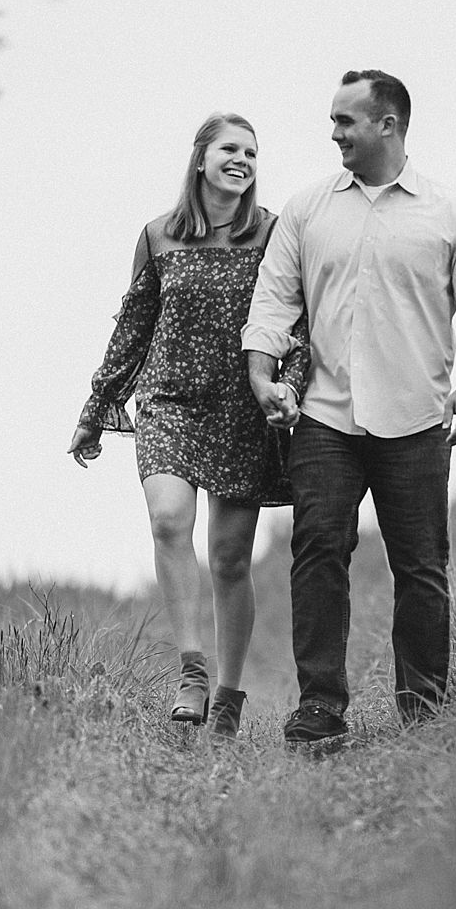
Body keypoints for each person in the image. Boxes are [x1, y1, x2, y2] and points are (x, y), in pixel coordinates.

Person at [243, 70, 456, 746]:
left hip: (417, 418)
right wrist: (262, 375)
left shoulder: (453, 214)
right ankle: (320, 706)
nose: (333, 133)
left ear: (387, 125)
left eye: (345, 121)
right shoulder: (306, 210)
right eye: (333, 121)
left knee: (420, 564)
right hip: (325, 417)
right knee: (317, 551)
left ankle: (423, 706)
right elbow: (274, 301)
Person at [68, 113, 307, 738]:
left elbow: (297, 322)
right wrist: (97, 410)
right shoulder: (157, 236)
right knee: (169, 518)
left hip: (241, 407)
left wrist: (290, 386)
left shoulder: (273, 234)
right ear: (200, 158)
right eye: (231, 149)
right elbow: (133, 326)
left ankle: (228, 696)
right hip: (170, 401)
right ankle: (192, 670)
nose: (244, 160)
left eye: (253, 153)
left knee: (229, 559)